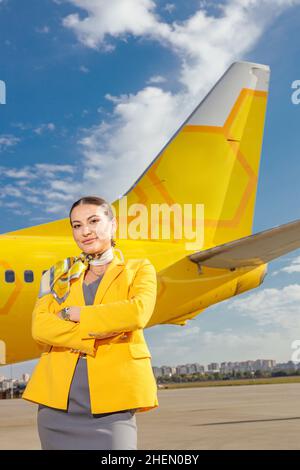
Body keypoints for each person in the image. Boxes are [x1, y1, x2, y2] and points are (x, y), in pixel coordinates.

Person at [22, 195, 159, 450]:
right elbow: (40, 327)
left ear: (112, 224)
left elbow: (137, 313)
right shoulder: (57, 275)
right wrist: (102, 328)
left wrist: (75, 315)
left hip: (113, 400)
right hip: (57, 404)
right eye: (77, 225)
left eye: (93, 221)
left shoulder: (138, 269)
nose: (85, 231)